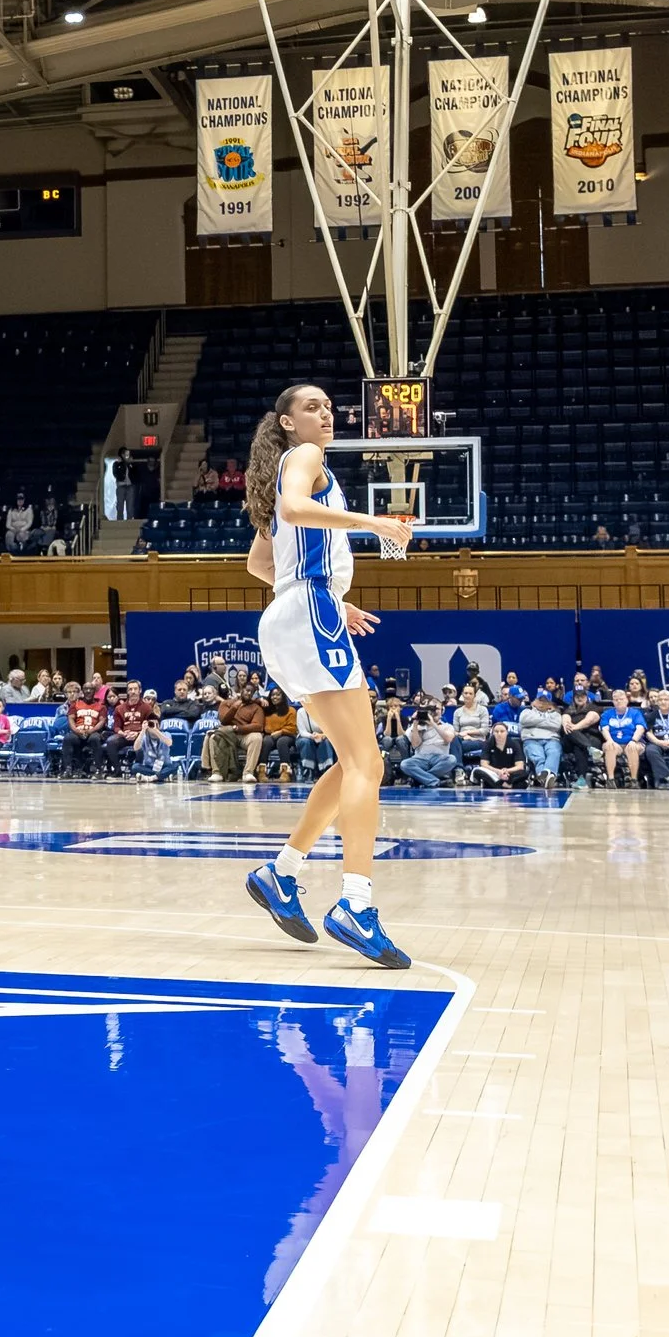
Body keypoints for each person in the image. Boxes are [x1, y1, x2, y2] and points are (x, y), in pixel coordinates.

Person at [240, 382, 416, 967]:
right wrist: (374, 523)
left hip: (295, 612)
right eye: (312, 407)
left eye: (329, 407)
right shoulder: (307, 459)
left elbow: (260, 563)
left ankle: (281, 873)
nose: (326, 414)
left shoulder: (291, 469)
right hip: (307, 610)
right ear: (287, 422)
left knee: (351, 761)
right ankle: (355, 905)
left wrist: (326, 601)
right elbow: (293, 510)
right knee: (369, 762)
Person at [598, 688, 646, 789]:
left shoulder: (635, 713)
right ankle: (610, 780)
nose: (619, 701)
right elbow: (604, 729)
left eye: (621, 699)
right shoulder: (607, 714)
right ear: (613, 701)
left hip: (633, 742)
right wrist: (610, 740)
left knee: (631, 748)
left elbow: (640, 728)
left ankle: (634, 780)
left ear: (626, 700)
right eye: (616, 699)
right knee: (609, 747)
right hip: (615, 743)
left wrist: (633, 740)